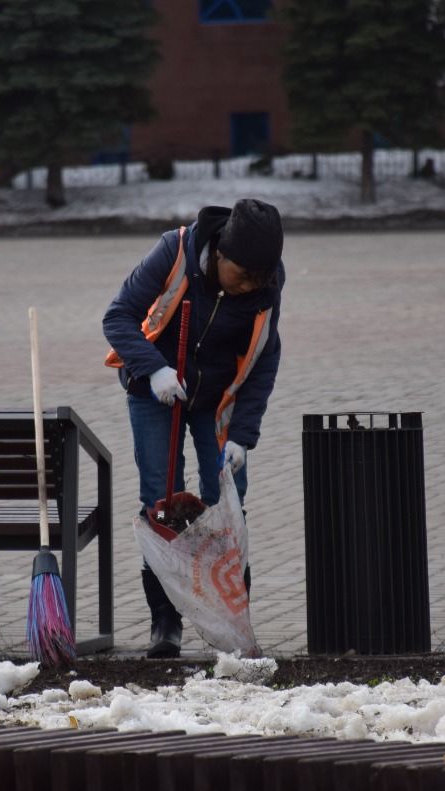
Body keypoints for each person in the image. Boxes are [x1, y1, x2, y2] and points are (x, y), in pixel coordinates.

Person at [103, 199, 285, 658]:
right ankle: (165, 624)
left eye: (257, 279)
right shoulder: (175, 252)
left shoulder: (265, 284)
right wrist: (154, 368)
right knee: (160, 501)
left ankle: (234, 623)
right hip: (157, 388)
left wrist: (243, 435)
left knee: (229, 505)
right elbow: (118, 317)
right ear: (220, 254)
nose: (248, 287)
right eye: (241, 275)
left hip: (216, 399)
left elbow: (264, 359)